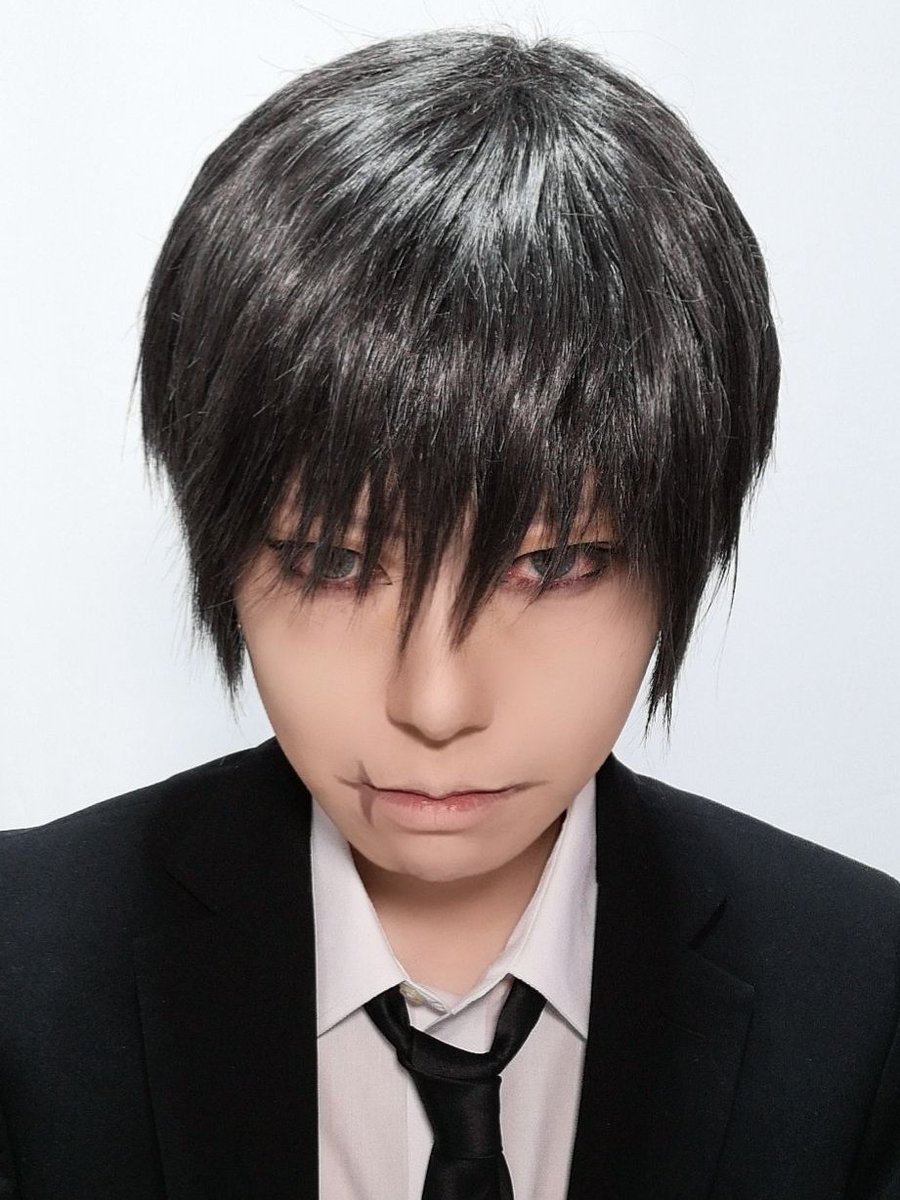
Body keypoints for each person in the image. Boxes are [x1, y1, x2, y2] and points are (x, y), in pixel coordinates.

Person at [1, 27, 898, 1200]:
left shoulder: (867, 999)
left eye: (552, 566)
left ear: (685, 547)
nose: (434, 704)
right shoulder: (21, 973)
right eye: (330, 562)